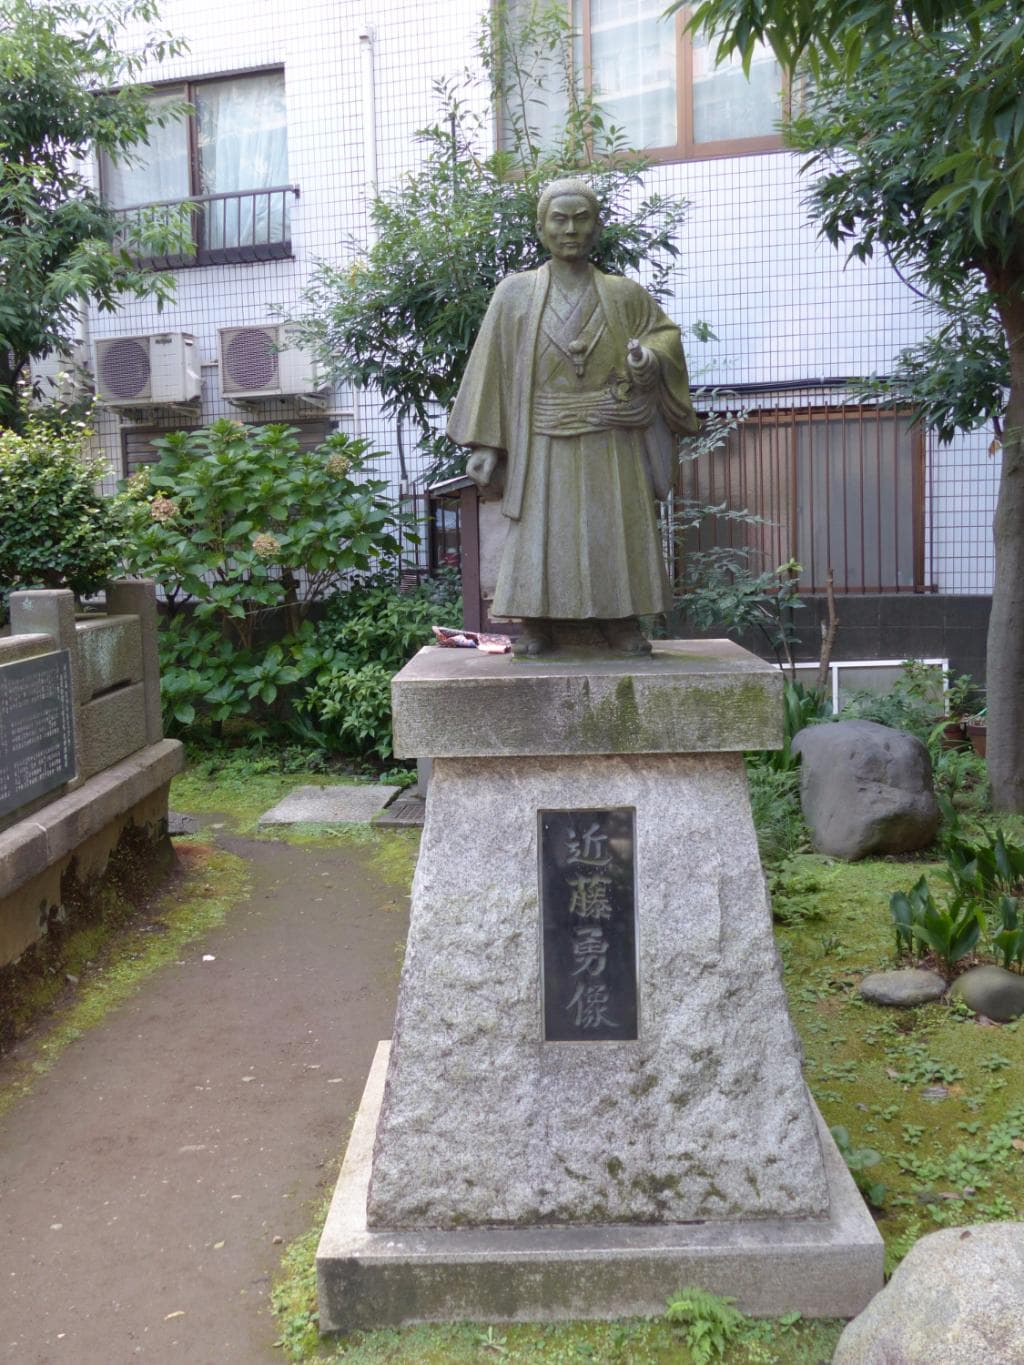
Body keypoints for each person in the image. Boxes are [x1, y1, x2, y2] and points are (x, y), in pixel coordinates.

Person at [447, 177, 700, 656]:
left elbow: (663, 336)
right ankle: (537, 623)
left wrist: (648, 359)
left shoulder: (624, 294)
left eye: (581, 219)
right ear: (541, 229)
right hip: (542, 438)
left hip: (611, 434)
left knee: (616, 527)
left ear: (597, 226)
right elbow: (493, 369)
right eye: (559, 219)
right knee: (539, 532)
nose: (571, 229)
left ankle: (623, 621)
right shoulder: (515, 294)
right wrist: (486, 443)